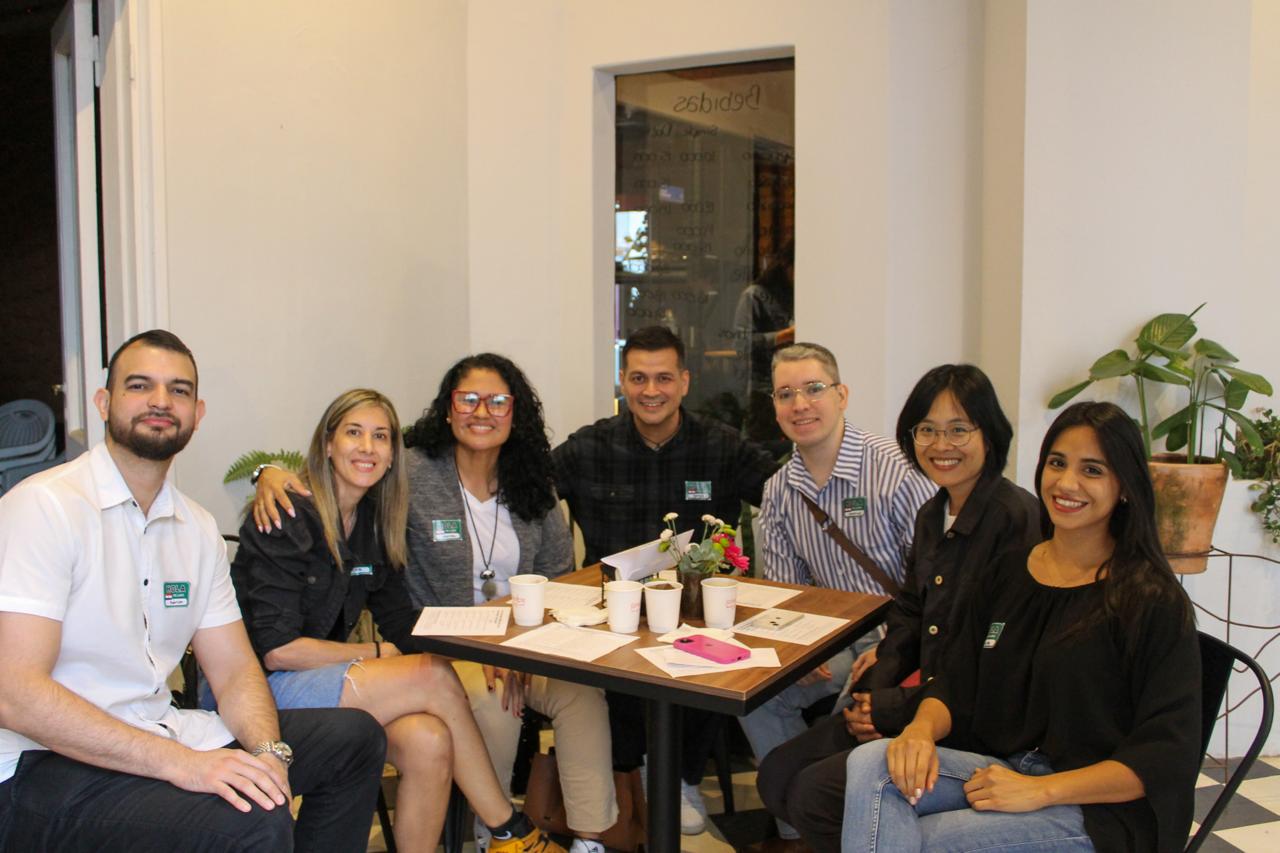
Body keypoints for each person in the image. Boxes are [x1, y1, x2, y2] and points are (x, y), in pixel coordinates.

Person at [0, 330, 387, 852]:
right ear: (104, 402)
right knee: (250, 816)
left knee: (354, 740)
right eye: (140, 386)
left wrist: (269, 751)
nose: (161, 401)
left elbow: (235, 670)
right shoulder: (45, 507)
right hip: (42, 764)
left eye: (178, 390)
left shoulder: (196, 528)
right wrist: (183, 765)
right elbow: (15, 694)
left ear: (197, 413)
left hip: (157, 729)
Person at [253, 356, 613, 853]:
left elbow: (403, 615)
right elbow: (276, 648)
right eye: (468, 399)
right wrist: (268, 472)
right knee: (452, 684)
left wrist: (514, 650)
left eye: (380, 437)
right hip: (283, 682)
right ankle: (505, 832)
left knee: (440, 735)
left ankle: (587, 840)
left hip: (511, 645)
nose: (482, 411)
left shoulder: (374, 524)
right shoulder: (379, 489)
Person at [843, 401, 1201, 852]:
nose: (1066, 483)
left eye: (1092, 470)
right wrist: (918, 731)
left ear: (1125, 486)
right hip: (1008, 770)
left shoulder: (1150, 600)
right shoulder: (1010, 571)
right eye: (1057, 463)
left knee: (927, 842)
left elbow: (1166, 755)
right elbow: (957, 681)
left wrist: (1041, 791)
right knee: (874, 763)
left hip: (1102, 809)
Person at [754, 364, 1040, 851]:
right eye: (927, 430)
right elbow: (910, 612)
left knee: (814, 794)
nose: (941, 444)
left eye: (958, 430)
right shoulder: (935, 512)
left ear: (989, 434)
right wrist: (874, 691)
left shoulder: (1014, 520)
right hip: (914, 695)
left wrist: (889, 709)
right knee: (777, 776)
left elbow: (991, 661)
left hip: (973, 724)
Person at [551, 325, 781, 834]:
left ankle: (678, 778)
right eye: (638, 378)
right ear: (623, 382)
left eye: (663, 378)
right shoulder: (590, 447)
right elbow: (529, 496)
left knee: (721, 657)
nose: (650, 390)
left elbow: (785, 497)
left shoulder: (722, 446)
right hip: (613, 618)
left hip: (697, 618)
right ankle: (630, 781)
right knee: (611, 670)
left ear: (684, 382)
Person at [739, 342, 935, 842]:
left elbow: (936, 576)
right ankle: (798, 831)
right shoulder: (780, 489)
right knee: (755, 695)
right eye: (785, 394)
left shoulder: (894, 468)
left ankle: (844, 829)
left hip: (901, 638)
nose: (800, 404)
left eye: (813, 389)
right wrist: (800, 650)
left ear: (841, 395)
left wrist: (893, 650)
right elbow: (784, 592)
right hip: (832, 637)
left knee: (846, 720)